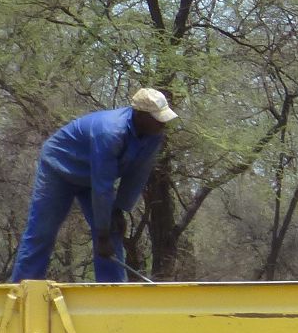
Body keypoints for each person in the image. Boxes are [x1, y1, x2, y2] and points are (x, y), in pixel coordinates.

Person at [11, 88, 177, 283]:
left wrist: (119, 210)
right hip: (60, 167)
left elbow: (137, 175)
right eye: (157, 118)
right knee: (42, 231)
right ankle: (23, 290)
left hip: (93, 176)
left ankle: (111, 296)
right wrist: (102, 235)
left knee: (112, 229)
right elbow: (102, 186)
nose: (163, 123)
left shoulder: (154, 135)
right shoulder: (111, 132)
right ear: (140, 114)